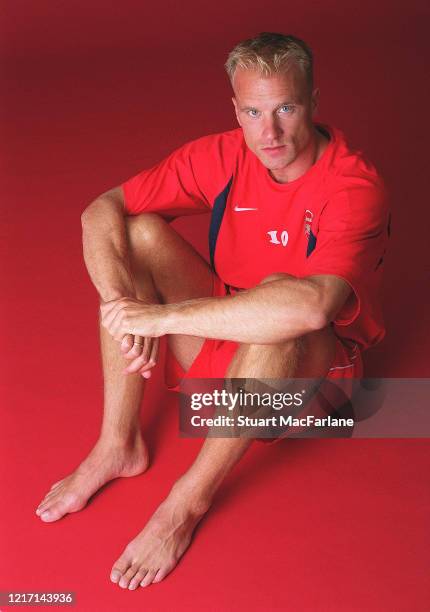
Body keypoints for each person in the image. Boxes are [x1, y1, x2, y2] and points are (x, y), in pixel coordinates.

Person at [35, 32, 390, 589]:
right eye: (253, 112)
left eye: (285, 109)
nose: (268, 133)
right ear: (236, 109)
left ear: (315, 101)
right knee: (139, 234)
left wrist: (161, 318)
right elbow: (101, 209)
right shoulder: (224, 155)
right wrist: (120, 306)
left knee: (281, 302)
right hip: (225, 356)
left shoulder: (353, 185)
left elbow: (313, 306)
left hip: (313, 387)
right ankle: (117, 444)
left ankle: (185, 504)